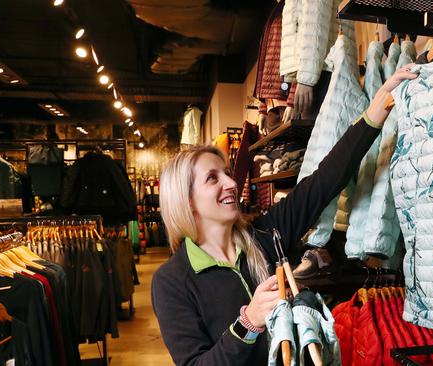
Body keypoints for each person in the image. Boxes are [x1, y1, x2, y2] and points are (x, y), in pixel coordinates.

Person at [152, 65, 418, 366]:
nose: (231, 183)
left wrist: (379, 104)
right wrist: (248, 323)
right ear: (186, 201)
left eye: (227, 173)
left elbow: (324, 181)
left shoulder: (267, 234)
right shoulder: (172, 281)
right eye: (212, 179)